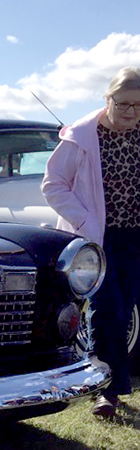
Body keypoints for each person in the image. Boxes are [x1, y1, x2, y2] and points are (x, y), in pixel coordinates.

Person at [42, 66, 140, 417]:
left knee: (125, 307)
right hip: (97, 238)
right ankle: (105, 391)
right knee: (106, 308)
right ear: (108, 99)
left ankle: (113, 382)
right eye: (124, 103)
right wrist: (85, 220)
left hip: (135, 236)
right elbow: (53, 184)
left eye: (139, 105)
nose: (131, 112)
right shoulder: (82, 137)